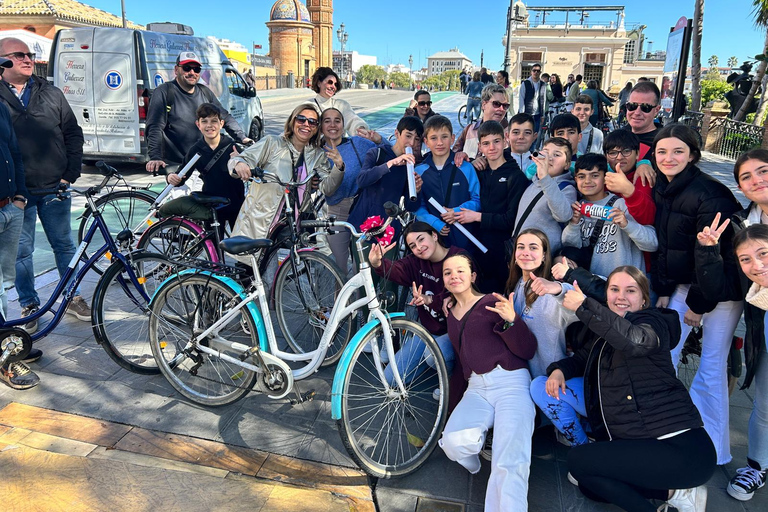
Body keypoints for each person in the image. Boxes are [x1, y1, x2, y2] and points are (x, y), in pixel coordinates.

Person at [531, 266, 716, 512]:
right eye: (614, 289)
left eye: (630, 291)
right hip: (644, 444)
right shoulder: (608, 330)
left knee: (578, 461)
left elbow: (635, 340)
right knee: (588, 483)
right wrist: (559, 370)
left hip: (682, 448)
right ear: (606, 296)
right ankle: (675, 492)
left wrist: (583, 306)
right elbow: (584, 358)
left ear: (643, 299)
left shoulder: (653, 322)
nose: (621, 297)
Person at [652, 123, 743, 465]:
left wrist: (699, 305)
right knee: (666, 356)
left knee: (711, 366)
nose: (669, 157)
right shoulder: (666, 187)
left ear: (692, 154)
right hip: (686, 283)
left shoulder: (710, 193)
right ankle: (669, 432)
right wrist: (663, 290)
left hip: (718, 289)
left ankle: (714, 451)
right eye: (662, 151)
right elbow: (668, 248)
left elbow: (719, 254)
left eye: (678, 151)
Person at [694, 148, 768, 500]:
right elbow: (729, 286)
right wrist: (708, 252)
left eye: (762, 171)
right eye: (746, 177)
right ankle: (757, 466)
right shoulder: (742, 222)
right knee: (765, 401)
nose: (756, 181)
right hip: (761, 320)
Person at [0, 37, 88, 334]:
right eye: (19, 55)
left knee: (64, 245)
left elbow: (73, 134)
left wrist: (69, 175)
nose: (27, 59)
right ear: (2, 62)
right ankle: (29, 304)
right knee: (22, 253)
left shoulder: (50, 92)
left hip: (54, 188)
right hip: (16, 194)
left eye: (29, 54)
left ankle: (72, 296)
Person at [438, 253, 536, 512]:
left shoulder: (492, 302)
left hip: (511, 382)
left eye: (460, 271)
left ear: (472, 276)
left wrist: (512, 321)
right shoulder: (450, 311)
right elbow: (461, 361)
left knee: (510, 461)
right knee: (452, 443)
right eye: (448, 273)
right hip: (477, 388)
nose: (454, 276)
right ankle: (477, 462)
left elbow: (527, 349)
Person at [228, 103, 344, 245]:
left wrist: (338, 167)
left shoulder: (317, 155)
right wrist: (240, 164)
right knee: (254, 264)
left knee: (294, 264)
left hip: (293, 221)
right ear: (292, 121)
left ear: (316, 128)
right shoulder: (273, 143)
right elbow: (243, 158)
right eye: (301, 119)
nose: (306, 124)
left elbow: (328, 188)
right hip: (261, 218)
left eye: (312, 122)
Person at [368, 222, 463, 384]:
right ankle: (431, 362)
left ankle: (450, 379)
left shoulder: (458, 257)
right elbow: (396, 269)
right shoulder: (415, 261)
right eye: (412, 245)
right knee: (391, 378)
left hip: (457, 331)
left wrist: (430, 300)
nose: (419, 247)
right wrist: (378, 263)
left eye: (421, 239)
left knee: (433, 356)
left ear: (434, 235)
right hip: (429, 331)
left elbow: (461, 295)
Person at [454, 121, 528, 293]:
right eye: (486, 143)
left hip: (501, 254)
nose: (492, 147)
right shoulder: (479, 171)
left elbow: (511, 220)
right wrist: (463, 158)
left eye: (496, 141)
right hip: (477, 250)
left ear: (505, 141)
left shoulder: (516, 177)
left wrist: (477, 217)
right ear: (480, 146)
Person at [145, 51, 249, 173]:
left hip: (204, 162)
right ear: (176, 70)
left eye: (196, 69)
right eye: (187, 68)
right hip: (178, 166)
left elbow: (224, 116)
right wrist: (155, 157)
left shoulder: (204, 92)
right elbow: (155, 126)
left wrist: (242, 138)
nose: (192, 73)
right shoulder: (165, 92)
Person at [0, 55, 37, 390]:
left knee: (2, 282)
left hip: (9, 207)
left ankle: (5, 342)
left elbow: (12, 151)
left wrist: (20, 195)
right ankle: (6, 358)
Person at [562, 153, 658, 277]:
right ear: (575, 179)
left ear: (605, 178)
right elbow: (571, 248)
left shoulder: (622, 205)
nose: (587, 181)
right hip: (593, 287)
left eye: (595, 175)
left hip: (627, 285)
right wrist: (573, 224)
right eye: (581, 176)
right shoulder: (575, 207)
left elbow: (652, 244)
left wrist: (627, 225)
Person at [319, 107, 389, 273]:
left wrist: (379, 140)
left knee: (362, 267)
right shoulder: (317, 153)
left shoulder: (358, 143)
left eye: (337, 120)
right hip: (338, 211)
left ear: (343, 125)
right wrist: (338, 166)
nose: (333, 125)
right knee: (339, 269)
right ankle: (341, 299)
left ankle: (363, 299)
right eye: (327, 121)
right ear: (321, 126)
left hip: (363, 207)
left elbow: (391, 153)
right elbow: (327, 189)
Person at [504, 229, 576, 378]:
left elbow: (584, 301)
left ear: (544, 255)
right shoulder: (515, 284)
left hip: (550, 379)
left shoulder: (551, 290)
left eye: (533, 247)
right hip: (521, 378)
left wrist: (560, 288)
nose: (525, 252)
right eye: (521, 247)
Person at [165, 103, 245, 236]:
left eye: (214, 121)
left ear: (221, 123)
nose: (209, 125)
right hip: (212, 205)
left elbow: (248, 171)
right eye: (204, 122)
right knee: (213, 247)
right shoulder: (196, 150)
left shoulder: (232, 147)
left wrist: (240, 161)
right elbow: (181, 176)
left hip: (235, 203)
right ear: (198, 125)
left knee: (241, 246)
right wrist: (171, 177)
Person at [349, 116, 423, 240]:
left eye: (416, 139)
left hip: (387, 230)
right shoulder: (377, 153)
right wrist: (391, 163)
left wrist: (417, 190)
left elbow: (411, 207)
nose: (412, 143)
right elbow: (362, 181)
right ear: (397, 133)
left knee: (387, 260)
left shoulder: (409, 166)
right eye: (408, 136)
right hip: (363, 225)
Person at [415, 115, 480, 251]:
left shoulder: (465, 167)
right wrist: (434, 222)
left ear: (452, 138)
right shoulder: (419, 171)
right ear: (426, 142)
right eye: (434, 138)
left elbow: (477, 200)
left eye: (444, 137)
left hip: (465, 239)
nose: (439, 142)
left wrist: (456, 212)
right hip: (434, 240)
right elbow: (417, 206)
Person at [513, 137, 577, 255]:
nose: (549, 158)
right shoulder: (532, 183)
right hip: (520, 250)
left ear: (567, 164)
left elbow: (564, 215)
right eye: (546, 153)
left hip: (542, 256)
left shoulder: (566, 188)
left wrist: (545, 178)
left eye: (557, 154)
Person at [453, 84, 510, 168]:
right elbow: (453, 156)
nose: (501, 109)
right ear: (483, 105)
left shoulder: (511, 134)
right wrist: (465, 159)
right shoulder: (469, 130)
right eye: (496, 104)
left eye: (505, 106)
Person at [310, 67, 369, 137]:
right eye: (330, 82)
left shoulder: (341, 105)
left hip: (340, 146)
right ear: (319, 83)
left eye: (335, 84)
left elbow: (352, 119)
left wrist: (360, 128)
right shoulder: (309, 105)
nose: (333, 87)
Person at [624, 81, 662, 160]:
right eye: (632, 106)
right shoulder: (618, 135)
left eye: (645, 107)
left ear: (656, 110)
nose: (637, 112)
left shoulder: (664, 142)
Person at [519, 64, 547, 134]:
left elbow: (543, 100)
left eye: (538, 71)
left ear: (540, 72)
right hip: (527, 113)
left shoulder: (543, 84)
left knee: (535, 135)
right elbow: (521, 99)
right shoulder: (525, 83)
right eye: (534, 70)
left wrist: (543, 115)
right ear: (531, 72)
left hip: (537, 115)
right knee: (526, 134)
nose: (536, 72)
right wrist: (522, 114)